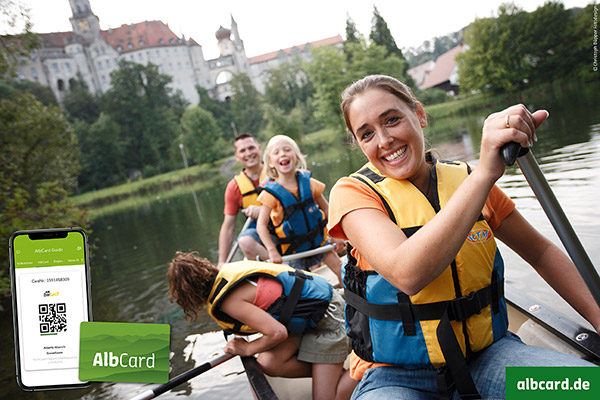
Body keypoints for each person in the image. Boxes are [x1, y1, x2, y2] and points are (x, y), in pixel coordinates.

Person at [327, 75, 600, 399]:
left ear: (420, 114)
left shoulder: (467, 181)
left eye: (392, 119)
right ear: (359, 144)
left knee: (587, 388)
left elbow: (540, 253)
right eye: (367, 133)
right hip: (394, 376)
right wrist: (486, 172)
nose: (384, 140)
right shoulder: (351, 192)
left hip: (489, 357)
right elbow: (407, 273)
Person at [168, 252, 357, 400]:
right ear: (205, 267)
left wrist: (247, 347)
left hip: (330, 316)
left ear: (189, 298)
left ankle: (369, 366)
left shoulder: (229, 302)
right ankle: (328, 374)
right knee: (269, 363)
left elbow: (277, 332)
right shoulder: (228, 272)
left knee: (328, 398)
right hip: (308, 319)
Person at [256, 135, 345, 283]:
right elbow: (261, 226)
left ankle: (350, 300)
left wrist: (336, 235)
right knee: (303, 284)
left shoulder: (309, 183)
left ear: (296, 157)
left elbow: (328, 209)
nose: (282, 154)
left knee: (340, 269)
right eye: (276, 152)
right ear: (271, 163)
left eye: (287, 150)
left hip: (319, 244)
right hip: (294, 251)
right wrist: (271, 250)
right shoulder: (270, 194)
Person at [218, 133, 268, 267]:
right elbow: (228, 227)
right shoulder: (234, 187)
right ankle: (283, 269)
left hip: (286, 224)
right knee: (244, 241)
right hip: (260, 233)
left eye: (251, 148)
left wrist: (263, 211)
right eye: (242, 151)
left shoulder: (275, 171)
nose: (248, 153)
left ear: (259, 148)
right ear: (237, 156)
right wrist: (222, 262)